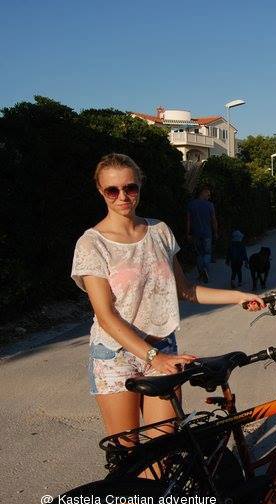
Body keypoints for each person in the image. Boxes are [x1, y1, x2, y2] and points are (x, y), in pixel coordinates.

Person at [71, 153, 264, 445]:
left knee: (164, 448)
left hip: (163, 347)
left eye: (130, 188)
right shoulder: (91, 244)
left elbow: (185, 290)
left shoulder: (159, 231)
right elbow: (106, 316)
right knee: (129, 451)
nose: (123, 196)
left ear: (139, 185)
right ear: (100, 191)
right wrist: (154, 357)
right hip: (116, 356)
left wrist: (238, 296)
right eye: (112, 190)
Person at [187, 185, 218, 283]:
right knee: (207, 253)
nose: (209, 196)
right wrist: (215, 232)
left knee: (199, 254)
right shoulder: (210, 205)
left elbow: (188, 220)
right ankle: (205, 269)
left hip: (196, 233)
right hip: (207, 233)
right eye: (208, 194)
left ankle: (201, 272)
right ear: (202, 193)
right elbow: (213, 220)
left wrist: (188, 233)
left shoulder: (191, 204)